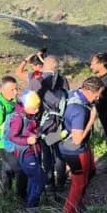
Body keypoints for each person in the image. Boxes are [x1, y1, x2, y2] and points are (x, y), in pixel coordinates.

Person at [58, 77, 103, 213]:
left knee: (90, 171)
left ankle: (79, 203)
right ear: (89, 91)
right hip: (75, 151)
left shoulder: (74, 94)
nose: (99, 97)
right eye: (98, 94)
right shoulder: (79, 111)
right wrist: (91, 120)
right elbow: (77, 140)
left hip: (66, 144)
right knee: (79, 182)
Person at [5, 91, 46, 209]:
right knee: (40, 180)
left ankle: (31, 204)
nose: (37, 110)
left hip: (33, 151)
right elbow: (12, 136)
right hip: (26, 153)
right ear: (27, 106)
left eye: (38, 107)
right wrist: (27, 140)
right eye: (34, 108)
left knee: (34, 179)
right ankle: (32, 206)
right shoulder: (18, 118)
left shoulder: (28, 115)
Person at [39, 57, 70, 192]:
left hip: (44, 124)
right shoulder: (63, 80)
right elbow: (67, 99)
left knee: (46, 153)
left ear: (45, 65)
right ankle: (61, 182)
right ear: (55, 67)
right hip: (59, 124)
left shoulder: (38, 81)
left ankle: (49, 182)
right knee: (59, 153)